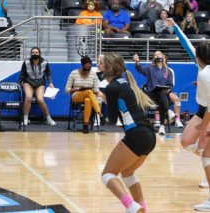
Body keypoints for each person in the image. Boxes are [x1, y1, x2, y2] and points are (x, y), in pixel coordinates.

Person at [101, 53, 155, 213]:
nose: (99, 66)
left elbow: (111, 120)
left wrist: (105, 100)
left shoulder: (111, 87)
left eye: (101, 63)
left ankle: (131, 206)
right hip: (149, 135)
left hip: (136, 135)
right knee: (127, 172)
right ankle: (142, 208)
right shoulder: (125, 82)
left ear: (109, 67)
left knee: (107, 175)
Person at [169, 17, 210, 210]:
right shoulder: (202, 69)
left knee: (206, 152)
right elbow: (187, 44)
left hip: (207, 112)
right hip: (202, 110)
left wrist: (204, 126)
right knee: (187, 142)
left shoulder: (205, 73)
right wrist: (176, 27)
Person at [134, 51, 174, 135]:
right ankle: (168, 113)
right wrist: (137, 62)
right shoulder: (150, 68)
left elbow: (170, 85)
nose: (157, 55)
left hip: (163, 96)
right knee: (161, 93)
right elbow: (139, 69)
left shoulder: (168, 71)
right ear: (154, 58)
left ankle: (162, 127)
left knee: (162, 93)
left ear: (163, 57)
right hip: (151, 95)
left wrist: (168, 90)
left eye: (159, 54)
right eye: (155, 55)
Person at [18, 47, 56, 126]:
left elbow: (48, 73)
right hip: (28, 82)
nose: (35, 54)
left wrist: (50, 82)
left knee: (40, 99)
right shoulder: (26, 62)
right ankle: (25, 119)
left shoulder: (45, 62)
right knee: (28, 98)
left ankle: (49, 118)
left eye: (36, 52)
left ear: (39, 53)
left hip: (40, 83)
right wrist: (19, 83)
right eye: (33, 52)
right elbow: (22, 74)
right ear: (31, 54)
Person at [65, 56, 103, 134]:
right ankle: (99, 113)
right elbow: (66, 89)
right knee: (89, 92)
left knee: (88, 99)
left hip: (89, 96)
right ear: (82, 65)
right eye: (86, 66)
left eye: (89, 66)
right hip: (76, 95)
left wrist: (92, 90)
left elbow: (96, 90)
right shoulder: (74, 73)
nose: (88, 69)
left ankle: (85, 124)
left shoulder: (93, 75)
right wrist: (77, 89)